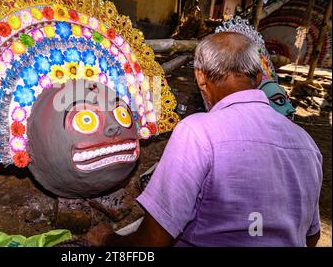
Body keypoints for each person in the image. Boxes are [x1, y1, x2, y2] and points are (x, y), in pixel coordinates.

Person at [86, 32, 323, 247]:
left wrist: (106, 239)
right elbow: (311, 237)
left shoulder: (198, 131)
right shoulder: (306, 143)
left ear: (200, 77)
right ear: (259, 76)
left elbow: (153, 242)